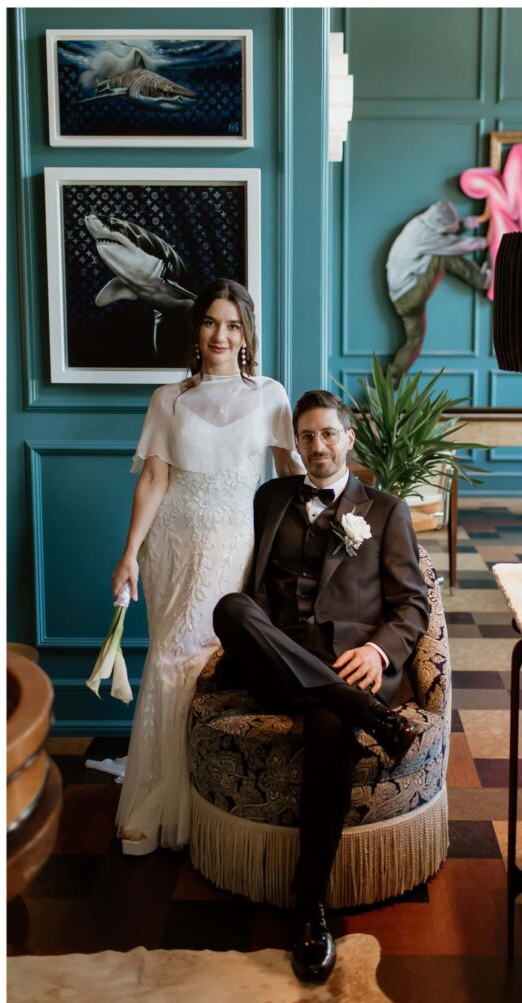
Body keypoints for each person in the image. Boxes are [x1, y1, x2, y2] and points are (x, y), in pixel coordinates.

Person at [212, 390, 430, 983]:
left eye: (328, 434)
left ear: (348, 438)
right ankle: (367, 714)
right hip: (278, 663)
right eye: (306, 436)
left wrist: (378, 649)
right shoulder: (270, 498)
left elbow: (412, 603)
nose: (317, 447)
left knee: (332, 725)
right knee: (230, 610)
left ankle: (310, 906)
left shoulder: (385, 510)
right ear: (296, 442)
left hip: (349, 667)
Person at [112, 279, 303, 856]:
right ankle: (155, 798)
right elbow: (153, 479)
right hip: (172, 540)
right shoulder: (167, 398)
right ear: (196, 330)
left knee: (206, 659)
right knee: (170, 657)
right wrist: (128, 556)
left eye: (233, 325)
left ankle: (205, 798)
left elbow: (292, 468)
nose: (221, 335)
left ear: (247, 334)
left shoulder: (271, 394)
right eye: (210, 322)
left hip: (234, 541)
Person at [386, 199, 490, 382]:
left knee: (414, 340)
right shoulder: (422, 236)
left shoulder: (422, 223)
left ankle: (390, 380)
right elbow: (453, 245)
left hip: (401, 298)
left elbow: (448, 230)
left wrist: (480, 219)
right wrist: (485, 242)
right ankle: (483, 280)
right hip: (409, 293)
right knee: (442, 257)